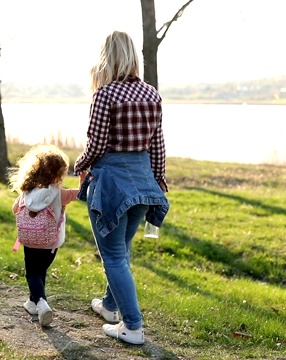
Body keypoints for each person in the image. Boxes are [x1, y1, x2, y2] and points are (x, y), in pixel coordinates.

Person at [74, 31, 170, 345]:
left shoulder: (104, 95)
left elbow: (97, 144)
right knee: (121, 250)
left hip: (112, 183)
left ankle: (133, 327)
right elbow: (158, 147)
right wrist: (158, 182)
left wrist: (80, 163)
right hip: (143, 182)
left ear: (106, 58)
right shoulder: (151, 94)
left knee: (114, 256)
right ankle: (110, 307)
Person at [9, 144, 80, 327]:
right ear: (59, 174)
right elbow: (81, 194)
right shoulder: (60, 194)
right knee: (40, 272)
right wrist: (84, 180)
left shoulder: (26, 191)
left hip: (29, 241)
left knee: (33, 274)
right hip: (49, 243)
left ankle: (37, 302)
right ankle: (38, 302)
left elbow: (15, 209)